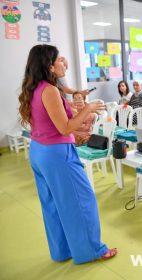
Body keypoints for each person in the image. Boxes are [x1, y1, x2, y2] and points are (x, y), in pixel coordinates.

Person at [18, 44, 116, 264]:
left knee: (52, 204)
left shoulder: (36, 87)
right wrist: (88, 109)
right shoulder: (50, 90)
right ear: (49, 66)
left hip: (39, 151)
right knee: (82, 200)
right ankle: (92, 251)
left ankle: (62, 250)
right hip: (57, 154)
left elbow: (56, 115)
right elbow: (65, 127)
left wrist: (76, 104)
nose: (64, 62)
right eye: (60, 59)